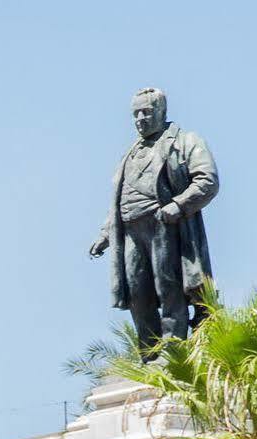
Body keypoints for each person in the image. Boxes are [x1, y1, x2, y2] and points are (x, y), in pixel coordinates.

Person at [87, 87, 219, 346]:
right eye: (135, 114)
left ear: (162, 112)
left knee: (168, 285)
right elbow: (120, 196)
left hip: (165, 225)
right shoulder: (130, 152)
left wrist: (179, 205)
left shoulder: (184, 141)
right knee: (137, 291)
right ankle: (149, 352)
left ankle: (173, 346)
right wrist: (105, 233)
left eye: (146, 112)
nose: (140, 119)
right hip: (131, 230)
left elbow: (208, 180)